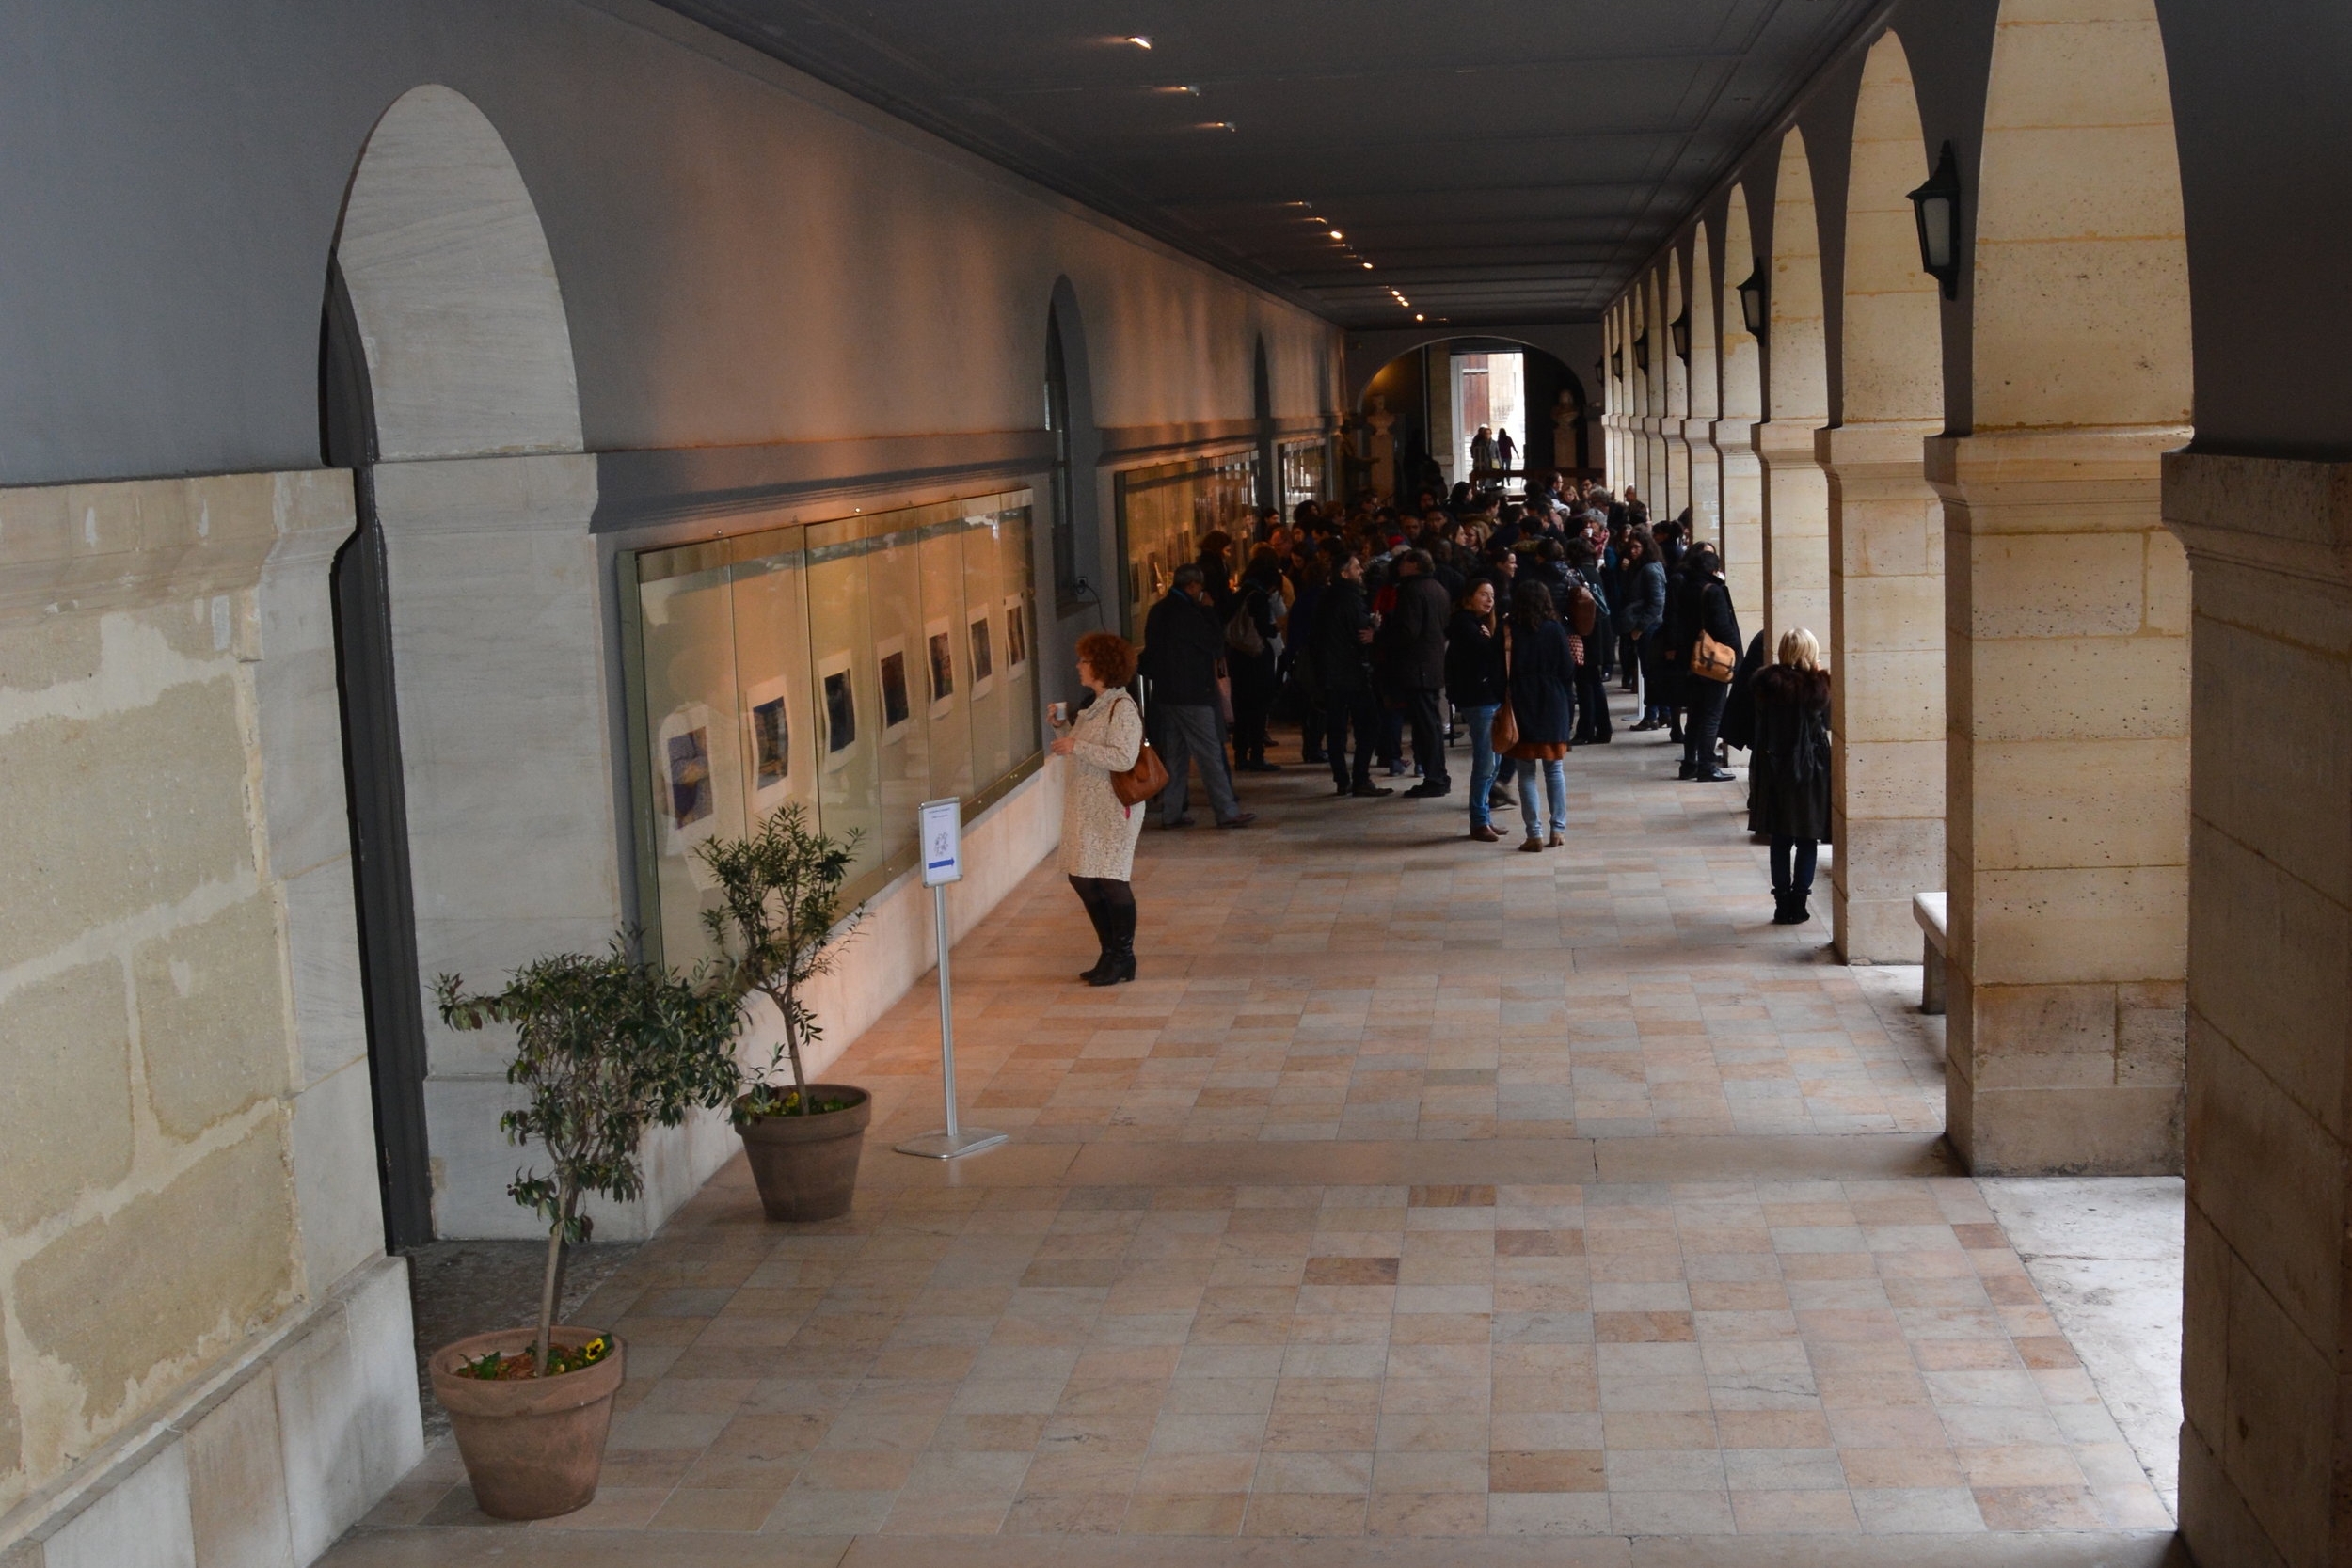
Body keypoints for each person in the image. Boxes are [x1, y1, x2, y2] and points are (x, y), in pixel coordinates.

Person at [1049, 633, 1150, 984]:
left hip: (1112, 806)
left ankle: (1122, 956)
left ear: (1101, 666)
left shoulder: (1121, 708)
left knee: (1110, 878)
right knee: (1082, 875)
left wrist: (1075, 745)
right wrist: (1063, 726)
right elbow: (1088, 745)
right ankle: (1112, 954)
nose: (1078, 666)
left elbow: (1124, 757)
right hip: (1089, 804)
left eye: (1084, 661)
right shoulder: (1096, 704)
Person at [1138, 563, 1256, 828]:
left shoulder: (1158, 611)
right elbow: (1215, 644)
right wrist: (1208, 609)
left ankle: (1172, 813)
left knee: (1176, 756)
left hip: (1165, 694)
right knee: (1210, 754)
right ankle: (1227, 811)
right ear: (1192, 586)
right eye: (1199, 588)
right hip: (1193, 695)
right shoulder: (1191, 613)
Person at [1749, 628, 1833, 925]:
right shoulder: (1818, 686)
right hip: (1811, 770)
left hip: (1775, 768)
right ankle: (1800, 901)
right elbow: (1829, 721)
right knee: (1807, 838)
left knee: (1781, 839)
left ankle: (1782, 902)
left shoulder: (1766, 685)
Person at [1503, 577, 1575, 852]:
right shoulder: (1554, 629)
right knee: (1554, 769)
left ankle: (1533, 833)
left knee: (1526, 772)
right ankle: (1558, 829)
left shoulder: (1510, 631)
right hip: (1553, 700)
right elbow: (1568, 669)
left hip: (1522, 700)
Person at [1314, 550, 1391, 798]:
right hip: (1351, 673)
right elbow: (1361, 635)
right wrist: (1375, 627)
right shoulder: (1350, 598)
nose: (1361, 571)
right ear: (1344, 573)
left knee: (1336, 729)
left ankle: (1341, 778)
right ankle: (1360, 777)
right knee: (1369, 724)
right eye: (1356, 567)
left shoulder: (1326, 597)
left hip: (1330, 673)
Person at [1379, 548, 1453, 798]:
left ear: (1413, 564)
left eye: (1403, 563)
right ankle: (1438, 775)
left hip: (1417, 666)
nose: (1398, 567)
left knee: (1427, 725)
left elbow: (1407, 631)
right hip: (1432, 664)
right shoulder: (1438, 588)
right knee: (1429, 724)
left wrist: (1381, 635)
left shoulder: (1412, 591)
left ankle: (1435, 777)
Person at [1446, 578, 1514, 841]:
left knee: (1494, 761)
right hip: (1478, 699)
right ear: (1469, 597)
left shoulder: (1480, 625)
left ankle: (1484, 815)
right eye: (1483, 594)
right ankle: (1478, 820)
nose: (1489, 600)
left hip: (1489, 697)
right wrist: (1492, 640)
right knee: (1486, 763)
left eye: (1492, 595)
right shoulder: (1464, 624)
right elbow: (1484, 657)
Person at [1671, 544, 1741, 782]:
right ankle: (1707, 765)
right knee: (1712, 714)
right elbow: (1723, 628)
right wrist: (1735, 655)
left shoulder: (1686, 586)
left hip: (1690, 660)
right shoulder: (1713, 591)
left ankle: (1689, 763)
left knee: (1695, 715)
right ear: (1714, 569)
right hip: (1712, 661)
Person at [1228, 546, 1284, 772]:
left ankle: (1241, 755)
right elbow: (1265, 629)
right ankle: (1257, 755)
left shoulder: (1240, 593)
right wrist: (1276, 627)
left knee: (1241, 709)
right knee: (1259, 707)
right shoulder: (1259, 598)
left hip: (1238, 657)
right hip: (1256, 658)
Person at [1616, 528, 1670, 729]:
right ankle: (1662, 712)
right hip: (1648, 625)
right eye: (1631, 548)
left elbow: (1657, 602)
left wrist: (1640, 627)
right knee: (1652, 672)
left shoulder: (1649, 569)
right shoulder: (1642, 567)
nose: (1633, 552)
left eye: (1637, 547)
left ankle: (1652, 714)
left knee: (1650, 673)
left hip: (1650, 627)